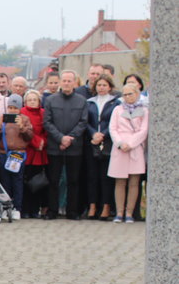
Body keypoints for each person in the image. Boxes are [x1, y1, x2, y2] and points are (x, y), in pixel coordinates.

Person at [42, 70, 87, 220]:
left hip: (74, 148)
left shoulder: (81, 101)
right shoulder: (51, 100)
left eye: (70, 81)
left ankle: (72, 211)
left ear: (75, 82)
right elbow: (47, 122)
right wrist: (61, 138)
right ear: (61, 82)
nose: (66, 83)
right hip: (55, 147)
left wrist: (70, 138)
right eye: (64, 81)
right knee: (53, 180)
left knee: (73, 181)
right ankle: (52, 210)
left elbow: (83, 122)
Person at [108, 82, 148, 223]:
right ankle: (119, 212)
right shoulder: (118, 110)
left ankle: (129, 213)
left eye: (130, 94)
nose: (127, 97)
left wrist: (131, 144)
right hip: (120, 149)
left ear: (137, 94)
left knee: (134, 182)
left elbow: (144, 130)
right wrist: (120, 143)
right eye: (124, 94)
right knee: (120, 181)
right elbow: (113, 128)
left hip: (135, 148)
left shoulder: (144, 110)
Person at [86, 74, 120, 220]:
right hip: (92, 142)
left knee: (105, 177)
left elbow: (115, 122)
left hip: (108, 143)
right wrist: (93, 134)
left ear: (110, 87)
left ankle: (106, 206)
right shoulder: (89, 103)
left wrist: (103, 135)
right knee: (92, 176)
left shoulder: (116, 103)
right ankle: (92, 206)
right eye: (99, 85)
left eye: (104, 85)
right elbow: (85, 121)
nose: (101, 88)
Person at [0, 94, 33, 218]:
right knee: (5, 182)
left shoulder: (25, 119)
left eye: (15, 108)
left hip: (18, 154)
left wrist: (22, 127)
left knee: (17, 181)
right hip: (4, 153)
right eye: (10, 107)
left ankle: (17, 207)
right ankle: (6, 207)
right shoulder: (3, 118)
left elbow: (29, 137)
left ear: (20, 108)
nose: (12, 110)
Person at [20, 90, 49, 218]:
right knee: (26, 181)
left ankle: (35, 209)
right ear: (25, 102)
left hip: (40, 152)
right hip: (28, 149)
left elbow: (47, 129)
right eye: (29, 100)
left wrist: (43, 142)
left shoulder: (44, 113)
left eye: (34, 99)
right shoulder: (22, 113)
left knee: (38, 182)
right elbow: (23, 131)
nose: (32, 102)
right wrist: (36, 142)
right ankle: (25, 209)